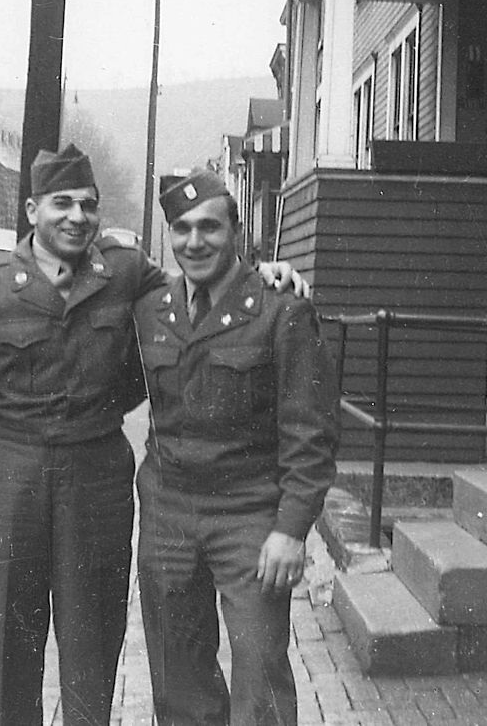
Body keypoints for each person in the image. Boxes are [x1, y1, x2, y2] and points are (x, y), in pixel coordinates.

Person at [0, 145, 306, 726]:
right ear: (31, 210)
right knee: (13, 637)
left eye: (88, 205)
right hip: (14, 473)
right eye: (61, 203)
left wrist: (263, 274)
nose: (76, 216)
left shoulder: (123, 272)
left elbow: (194, 288)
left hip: (98, 473)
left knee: (92, 638)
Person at [135, 170, 339, 726]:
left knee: (260, 671)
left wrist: (292, 529)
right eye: (181, 229)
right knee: (178, 671)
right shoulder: (153, 309)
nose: (194, 242)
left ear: (237, 232)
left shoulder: (281, 311)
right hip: (168, 515)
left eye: (209, 227)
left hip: (249, 516)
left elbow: (311, 433)